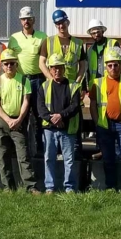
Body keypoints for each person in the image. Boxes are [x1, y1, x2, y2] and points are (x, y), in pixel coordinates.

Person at [91, 47, 121, 193]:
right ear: (105, 66)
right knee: (108, 157)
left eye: (116, 64)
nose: (113, 68)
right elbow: (93, 103)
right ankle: (111, 186)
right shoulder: (97, 83)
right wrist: (97, 120)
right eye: (110, 65)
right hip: (105, 124)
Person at [0, 49, 37, 191]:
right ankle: (8, 188)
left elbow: (26, 102)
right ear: (2, 66)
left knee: (24, 156)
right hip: (0, 122)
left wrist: (19, 119)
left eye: (11, 63)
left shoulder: (24, 80)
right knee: (2, 157)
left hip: (18, 121)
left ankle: (31, 187)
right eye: (6, 64)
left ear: (16, 64)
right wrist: (8, 119)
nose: (9, 66)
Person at [37, 54, 82, 193]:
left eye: (60, 67)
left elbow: (75, 106)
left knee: (69, 160)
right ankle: (50, 187)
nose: (57, 70)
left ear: (64, 68)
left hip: (67, 129)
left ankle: (69, 188)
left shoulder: (74, 86)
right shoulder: (44, 86)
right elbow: (40, 108)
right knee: (49, 159)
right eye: (54, 68)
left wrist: (61, 116)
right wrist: (53, 119)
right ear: (50, 69)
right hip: (50, 129)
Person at [9, 7, 47, 156]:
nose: (27, 21)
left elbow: (46, 59)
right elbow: (9, 60)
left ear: (34, 20)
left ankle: (40, 150)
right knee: (20, 114)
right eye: (24, 19)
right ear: (20, 21)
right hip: (20, 80)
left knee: (39, 115)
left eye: (29, 18)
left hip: (38, 80)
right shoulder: (14, 38)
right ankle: (21, 149)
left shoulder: (42, 36)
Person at [40, 9, 86, 85]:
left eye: (63, 22)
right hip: (54, 84)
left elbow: (82, 66)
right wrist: (51, 80)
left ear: (68, 22)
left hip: (71, 84)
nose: (61, 26)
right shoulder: (48, 41)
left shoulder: (78, 43)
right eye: (58, 23)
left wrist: (77, 82)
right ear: (55, 25)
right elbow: (41, 63)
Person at [85, 19, 119, 84]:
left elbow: (120, 65)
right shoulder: (90, 50)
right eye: (93, 33)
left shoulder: (113, 44)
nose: (96, 34)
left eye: (98, 32)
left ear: (102, 31)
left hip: (110, 83)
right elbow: (87, 71)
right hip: (95, 85)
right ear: (91, 35)